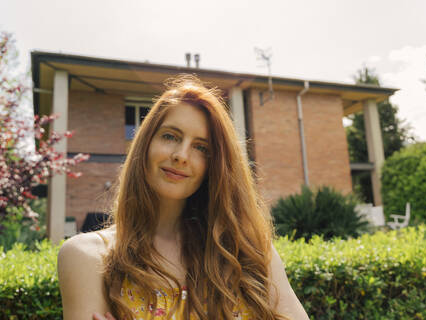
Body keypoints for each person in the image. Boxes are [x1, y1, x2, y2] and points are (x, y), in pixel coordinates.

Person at [58, 75, 310, 320]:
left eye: (201, 147)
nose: (181, 155)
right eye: (170, 136)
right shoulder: (87, 257)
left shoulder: (250, 250)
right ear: (145, 144)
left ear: (216, 165)